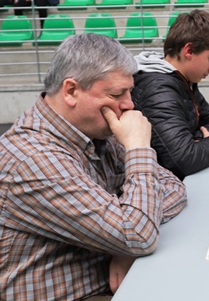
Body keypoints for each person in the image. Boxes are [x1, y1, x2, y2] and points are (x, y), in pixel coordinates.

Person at [0, 33, 188, 300]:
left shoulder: (95, 131)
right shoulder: (32, 159)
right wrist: (138, 148)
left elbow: (173, 186)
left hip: (115, 280)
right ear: (71, 91)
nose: (129, 104)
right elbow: (137, 234)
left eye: (129, 91)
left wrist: (124, 244)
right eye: (116, 94)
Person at [132, 10, 209, 180]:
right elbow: (182, 160)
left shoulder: (181, 79)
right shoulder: (158, 89)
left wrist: (198, 141)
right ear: (189, 50)